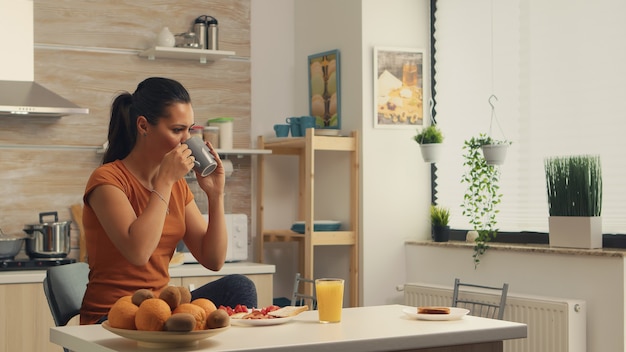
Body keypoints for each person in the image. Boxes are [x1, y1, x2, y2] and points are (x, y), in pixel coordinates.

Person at [79, 77, 257, 325]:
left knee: (239, 286)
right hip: (112, 315)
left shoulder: (177, 185)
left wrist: (216, 195)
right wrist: (164, 181)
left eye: (189, 130)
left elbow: (213, 260)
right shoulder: (107, 180)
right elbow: (138, 252)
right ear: (143, 126)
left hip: (161, 310)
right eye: (176, 130)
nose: (186, 140)